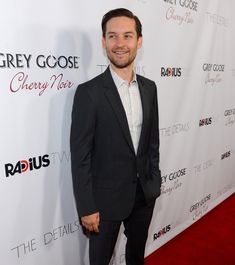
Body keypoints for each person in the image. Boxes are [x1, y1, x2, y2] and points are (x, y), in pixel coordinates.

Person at [70, 8, 161, 265]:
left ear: (139, 41)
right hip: (104, 203)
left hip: (144, 195)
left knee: (136, 257)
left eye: (127, 36)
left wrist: (154, 181)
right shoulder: (89, 93)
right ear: (104, 42)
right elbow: (80, 156)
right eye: (113, 36)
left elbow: (152, 141)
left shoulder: (150, 88)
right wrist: (87, 207)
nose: (120, 44)